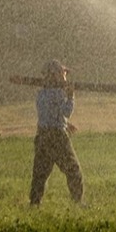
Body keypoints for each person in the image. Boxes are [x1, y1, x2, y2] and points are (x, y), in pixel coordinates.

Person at [29, 59, 84, 205]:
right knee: (73, 170)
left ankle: (34, 203)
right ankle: (77, 202)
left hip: (42, 136)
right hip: (57, 137)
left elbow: (50, 116)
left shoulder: (41, 94)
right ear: (55, 75)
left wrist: (66, 125)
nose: (65, 77)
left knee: (40, 174)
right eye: (63, 74)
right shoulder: (59, 94)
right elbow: (66, 112)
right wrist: (71, 96)